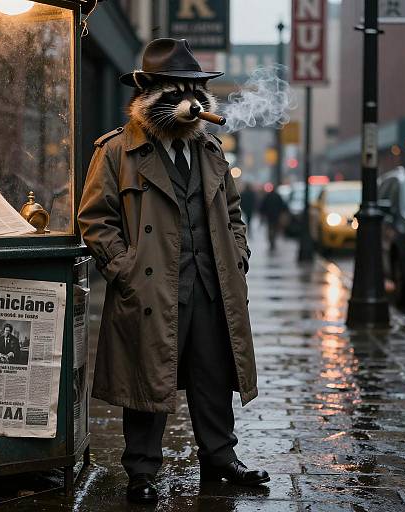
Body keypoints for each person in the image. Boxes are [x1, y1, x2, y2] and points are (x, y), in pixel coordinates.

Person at [78, 38, 269, 505]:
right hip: (148, 288)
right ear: (147, 95)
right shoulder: (117, 151)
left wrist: (237, 257)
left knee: (214, 372)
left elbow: (233, 211)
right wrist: (125, 269)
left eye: (193, 90)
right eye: (173, 90)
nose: (187, 100)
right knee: (148, 379)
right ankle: (142, 470)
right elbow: (94, 220)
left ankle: (220, 457)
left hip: (211, 285)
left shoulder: (209, 148)